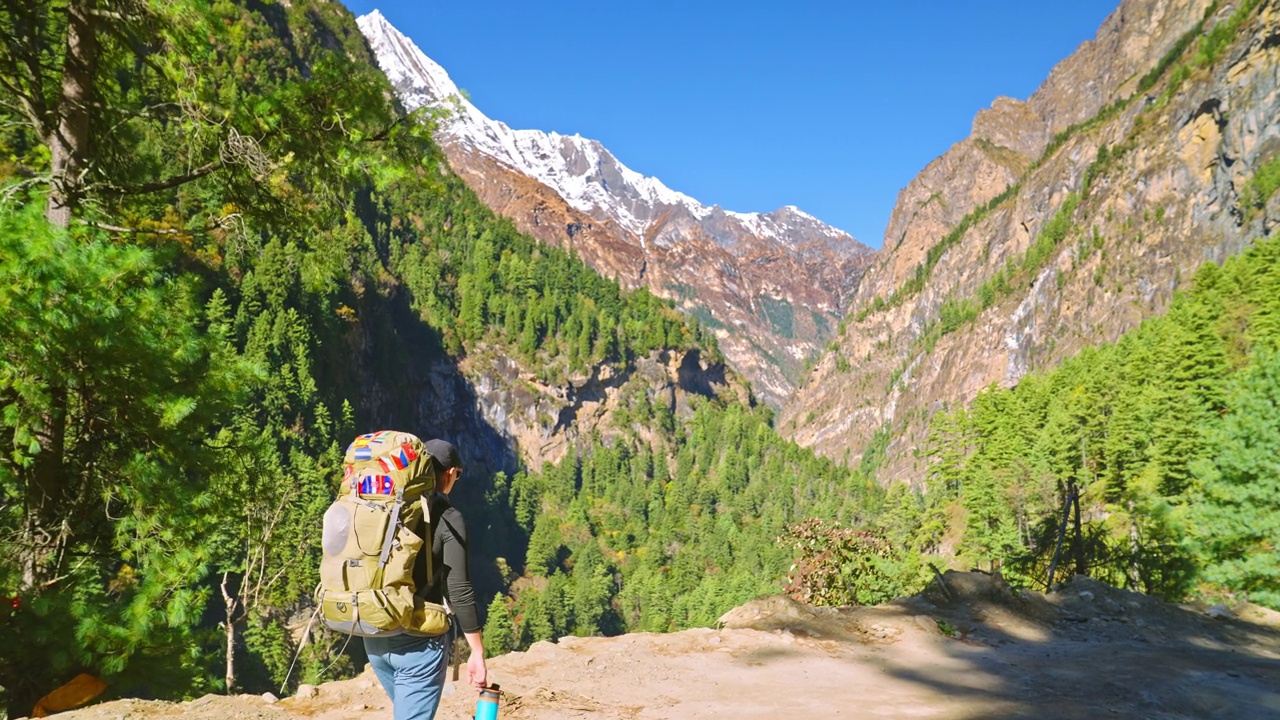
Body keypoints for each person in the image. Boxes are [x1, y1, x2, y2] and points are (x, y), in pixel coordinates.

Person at [363, 438, 487, 720]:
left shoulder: (388, 507)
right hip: (418, 640)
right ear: (451, 473)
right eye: (457, 474)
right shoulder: (447, 515)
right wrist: (476, 652)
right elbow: (459, 588)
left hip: (376, 634)